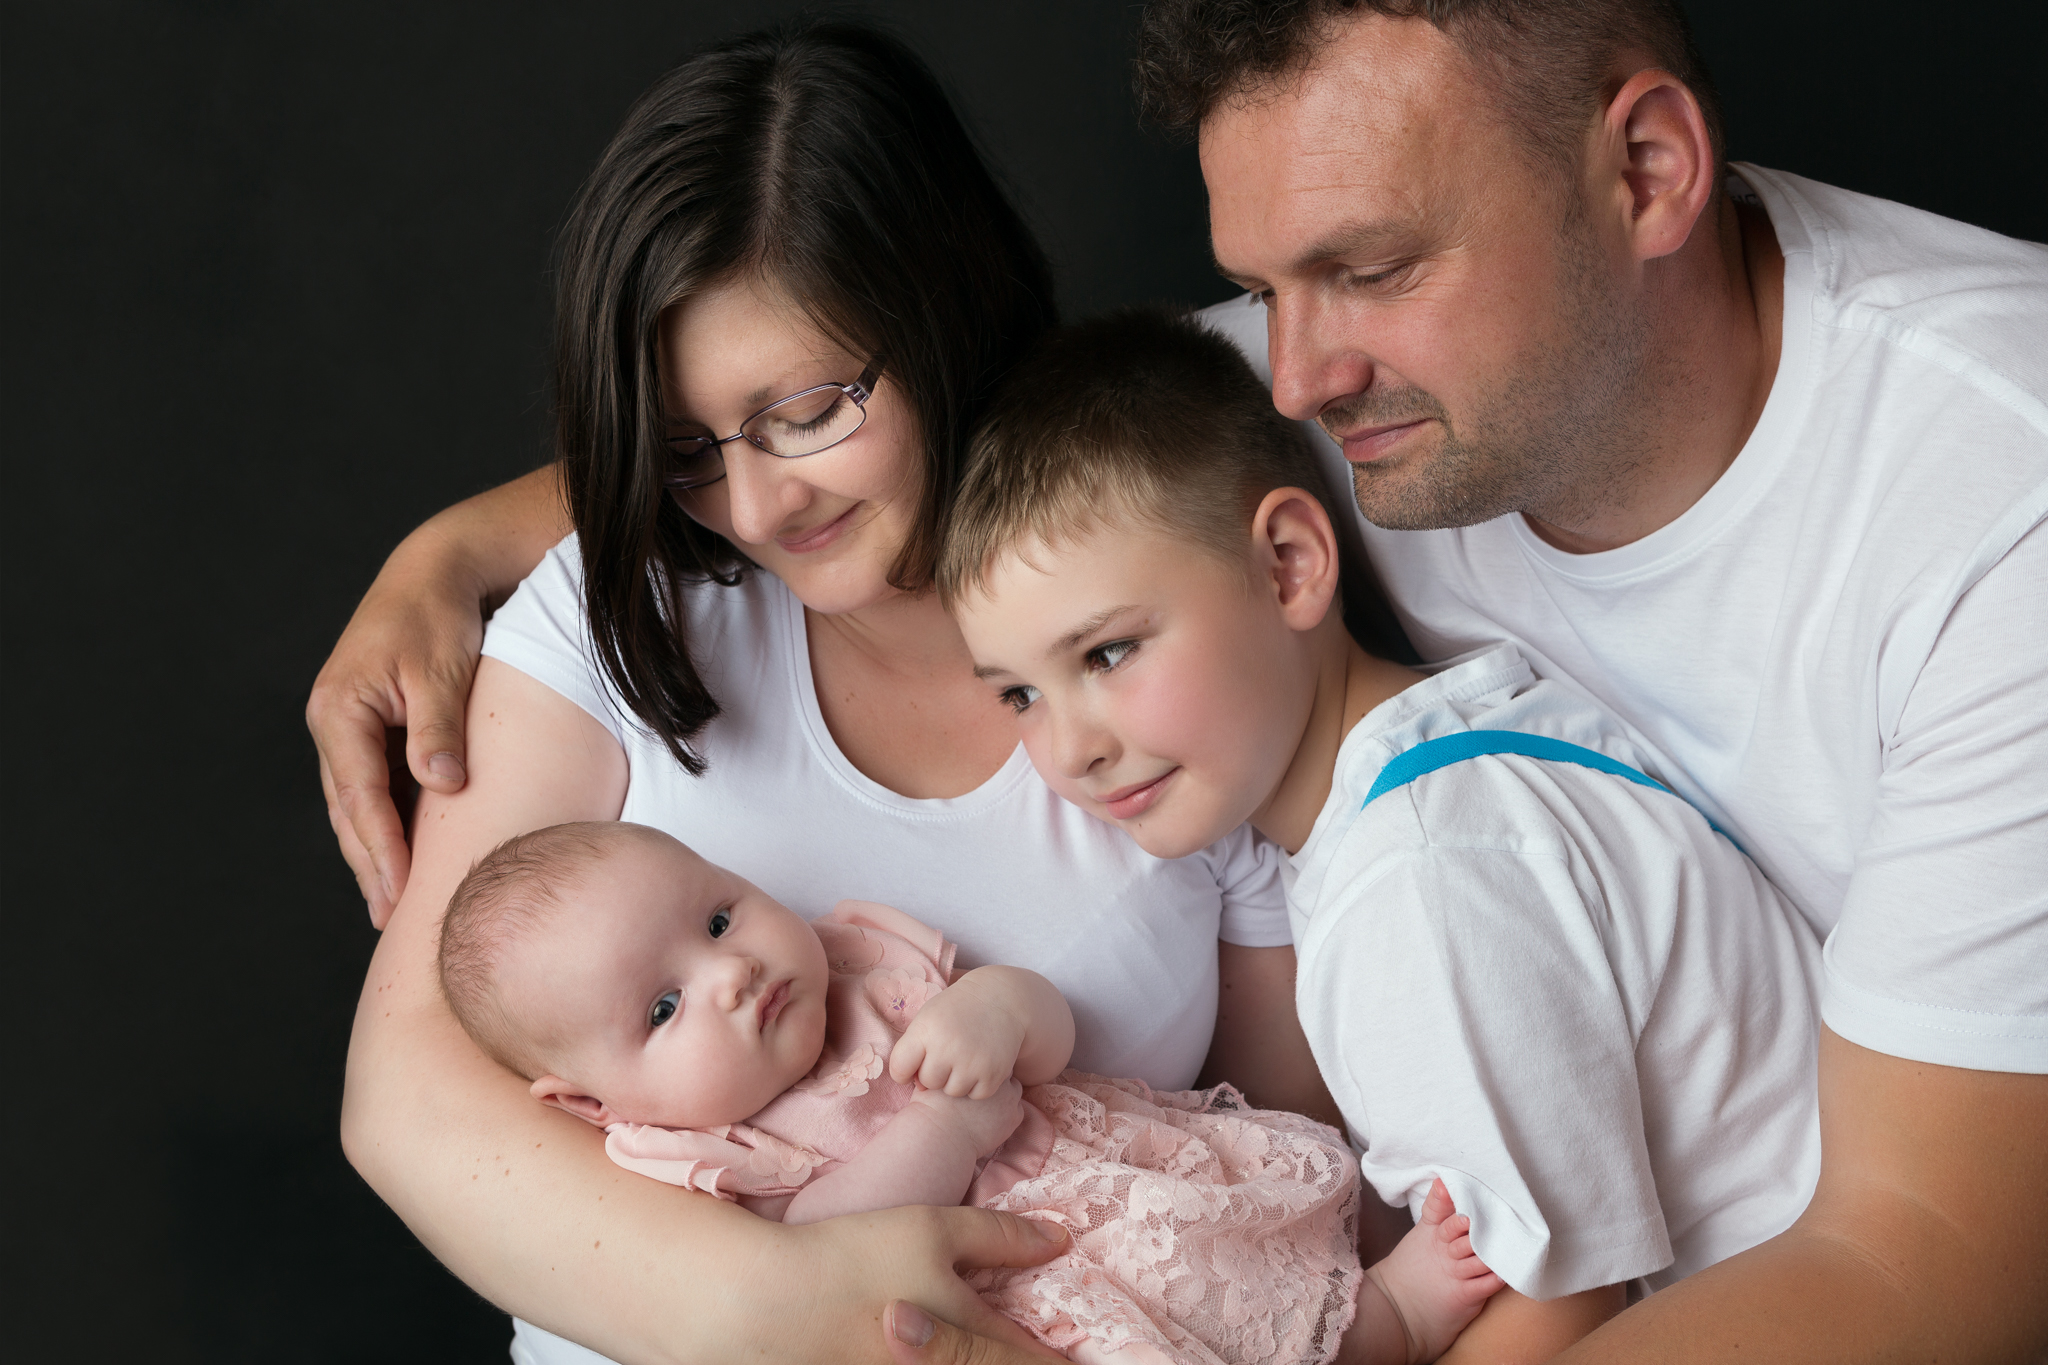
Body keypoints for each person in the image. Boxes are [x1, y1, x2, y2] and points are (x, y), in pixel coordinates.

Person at [323, 20, 1350, 1365]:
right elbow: (405, 1096)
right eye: (688, 451)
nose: (755, 509)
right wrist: (776, 1307)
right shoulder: (620, 613)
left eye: (807, 413)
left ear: (942, 307)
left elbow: (1283, 1183)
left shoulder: (1173, 614)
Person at [1132, 2, 2047, 1361]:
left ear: (1646, 171)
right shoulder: (1308, 425)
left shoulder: (1999, 493)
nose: (1297, 379)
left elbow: (1917, 1260)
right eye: (1264, 293)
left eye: (1371, 269)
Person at [940, 307, 1826, 1360]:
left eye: (1107, 653)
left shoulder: (1418, 882)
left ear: (1288, 565)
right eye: (1019, 695)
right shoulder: (1461, 738)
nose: (1069, 750)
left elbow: (1555, 1307)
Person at [437, 820, 1503, 1365]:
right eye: (664, 1007)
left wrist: (999, 1010)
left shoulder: (860, 960)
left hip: (1118, 1187)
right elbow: (819, 1239)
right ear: (593, 1105)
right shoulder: (699, 1151)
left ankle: (1391, 1320)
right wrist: (944, 1128)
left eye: (718, 917)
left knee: (1268, 1279)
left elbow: (1045, 1039)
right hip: (1016, 1296)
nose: (730, 972)